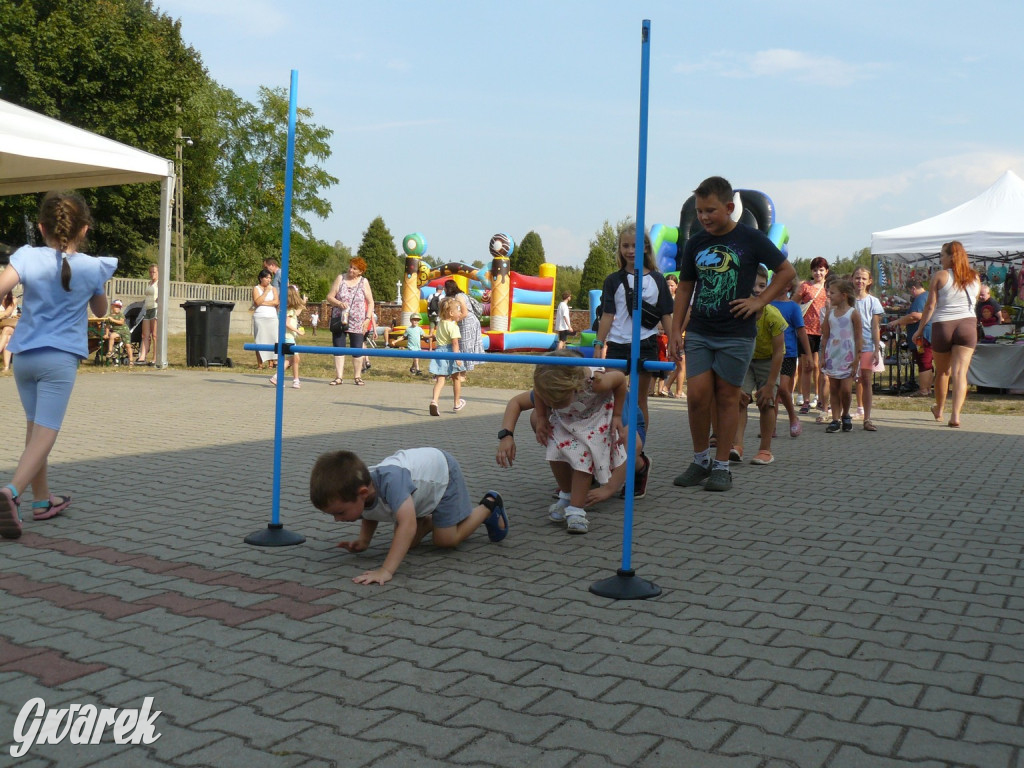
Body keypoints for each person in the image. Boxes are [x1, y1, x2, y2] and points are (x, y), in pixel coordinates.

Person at [0, 191, 117, 539]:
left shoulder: (26, 257)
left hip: (24, 357)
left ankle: (41, 501)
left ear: (40, 227)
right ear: (84, 230)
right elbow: (101, 311)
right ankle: (11, 493)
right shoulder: (93, 266)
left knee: (35, 431)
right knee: (46, 434)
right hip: (60, 358)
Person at [669, 176, 796, 492]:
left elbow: (787, 272)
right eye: (699, 211)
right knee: (697, 396)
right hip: (699, 330)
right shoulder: (697, 242)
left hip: (737, 334)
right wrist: (675, 331)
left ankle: (722, 466)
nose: (704, 217)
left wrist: (759, 301)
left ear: (729, 207)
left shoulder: (750, 238)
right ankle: (700, 461)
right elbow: (685, 287)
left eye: (710, 210)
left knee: (727, 398)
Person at [309, 448, 508, 585]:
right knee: (409, 543)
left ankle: (488, 506)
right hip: (418, 491)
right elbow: (371, 511)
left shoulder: (390, 483)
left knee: (444, 540)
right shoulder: (360, 488)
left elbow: (406, 525)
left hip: (442, 474)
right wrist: (364, 541)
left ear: (362, 493)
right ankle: (427, 520)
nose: (337, 519)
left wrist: (386, 571)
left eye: (340, 513)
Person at [531, 353, 642, 534]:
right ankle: (567, 496)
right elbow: (538, 391)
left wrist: (617, 415)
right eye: (551, 401)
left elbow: (621, 380)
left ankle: (576, 509)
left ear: (574, 387)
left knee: (583, 456)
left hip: (594, 418)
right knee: (555, 449)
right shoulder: (550, 384)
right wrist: (542, 416)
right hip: (569, 418)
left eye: (557, 401)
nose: (553, 403)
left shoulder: (596, 382)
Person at [594, 223, 674, 432]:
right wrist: (598, 343)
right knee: (612, 398)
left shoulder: (657, 279)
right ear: (620, 249)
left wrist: (675, 342)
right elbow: (607, 314)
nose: (630, 251)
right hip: (618, 344)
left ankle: (639, 447)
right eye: (625, 246)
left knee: (640, 401)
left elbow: (665, 313)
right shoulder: (613, 280)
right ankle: (614, 444)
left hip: (646, 343)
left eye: (635, 246)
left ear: (646, 247)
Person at [913, 240, 981, 428]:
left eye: (942, 254)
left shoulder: (940, 276)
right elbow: (973, 302)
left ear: (951, 256)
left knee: (942, 371)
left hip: (943, 325)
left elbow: (930, 306)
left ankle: (940, 410)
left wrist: (919, 330)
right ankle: (956, 415)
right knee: (960, 373)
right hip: (967, 325)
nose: (940, 258)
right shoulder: (975, 277)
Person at [734, 265, 787, 465]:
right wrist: (737, 385)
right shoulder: (739, 311)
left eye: (762, 285)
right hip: (745, 360)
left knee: (767, 402)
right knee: (740, 400)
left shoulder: (773, 316)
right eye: (752, 284)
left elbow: (778, 354)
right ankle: (737, 446)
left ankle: (765, 450)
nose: (756, 289)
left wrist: (769, 385)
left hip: (768, 361)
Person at [820, 279, 863, 433]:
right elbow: (825, 336)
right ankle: (835, 419)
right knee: (833, 388)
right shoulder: (830, 313)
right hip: (833, 355)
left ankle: (846, 413)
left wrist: (857, 357)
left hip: (848, 356)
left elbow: (858, 337)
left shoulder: (853, 313)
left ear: (843, 295)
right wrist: (822, 356)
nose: (829, 295)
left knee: (845, 389)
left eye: (832, 292)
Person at [771, 278, 812, 437]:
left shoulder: (793, 307)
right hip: (770, 354)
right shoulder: (768, 304)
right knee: (773, 392)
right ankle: (770, 425)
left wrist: (807, 354)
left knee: (782, 388)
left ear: (788, 286)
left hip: (788, 354)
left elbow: (801, 331)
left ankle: (793, 417)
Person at [326, 257, 374, 386]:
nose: (351, 270)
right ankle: (338, 377)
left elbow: (370, 302)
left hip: (358, 321)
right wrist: (338, 303)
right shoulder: (340, 278)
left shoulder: (364, 282)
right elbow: (329, 296)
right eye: (350, 267)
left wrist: (367, 319)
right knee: (338, 348)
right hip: (340, 319)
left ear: (360, 272)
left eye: (355, 268)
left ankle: (357, 376)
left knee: (357, 349)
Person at [886, 278, 932, 397]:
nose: (910, 294)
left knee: (924, 361)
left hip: (922, 337)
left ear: (913, 288)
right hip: (924, 335)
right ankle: (926, 388)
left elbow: (915, 316)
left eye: (909, 291)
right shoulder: (927, 296)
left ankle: (924, 390)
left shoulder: (921, 298)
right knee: (925, 362)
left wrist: (898, 321)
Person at [852, 266, 884, 431]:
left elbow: (875, 326)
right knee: (845, 381)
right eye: (857, 277)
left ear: (869, 281)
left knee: (866, 381)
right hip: (848, 346)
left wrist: (876, 348)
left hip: (867, 346)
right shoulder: (848, 300)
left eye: (863, 278)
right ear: (852, 279)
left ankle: (867, 418)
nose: (860, 281)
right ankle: (841, 415)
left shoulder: (873, 301)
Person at [796, 257, 829, 414]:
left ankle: (820, 398)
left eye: (821, 270)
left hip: (824, 331)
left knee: (820, 367)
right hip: (806, 331)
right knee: (807, 366)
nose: (818, 273)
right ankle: (805, 400)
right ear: (811, 271)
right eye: (815, 270)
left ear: (826, 271)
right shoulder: (805, 287)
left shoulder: (829, 287)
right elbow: (793, 303)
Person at [428, 297, 465, 415]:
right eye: (458, 310)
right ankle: (457, 403)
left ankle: (434, 401)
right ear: (451, 313)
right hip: (451, 352)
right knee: (456, 378)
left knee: (440, 380)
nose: (460, 313)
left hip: (440, 351)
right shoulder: (453, 326)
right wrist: (457, 357)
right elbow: (454, 343)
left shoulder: (441, 324)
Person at [444, 279, 484, 381]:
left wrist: (454, 321)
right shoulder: (461, 295)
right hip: (469, 321)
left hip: (468, 322)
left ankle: (462, 374)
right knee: (464, 346)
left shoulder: (459, 297)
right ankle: (461, 372)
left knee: (465, 346)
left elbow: (465, 313)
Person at [269, 285, 305, 389]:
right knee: (294, 359)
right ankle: (277, 377)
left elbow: (296, 313)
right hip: (288, 337)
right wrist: (298, 331)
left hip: (283, 336)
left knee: (295, 359)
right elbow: (287, 323)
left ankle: (295, 380)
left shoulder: (284, 308)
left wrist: (303, 303)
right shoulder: (289, 310)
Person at [658, 274, 686, 398]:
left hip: (681, 334)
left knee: (680, 363)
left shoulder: (680, 299)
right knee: (680, 363)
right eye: (667, 285)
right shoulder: (663, 300)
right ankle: (674, 390)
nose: (669, 288)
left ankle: (670, 388)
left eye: (672, 285)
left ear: (677, 286)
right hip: (669, 336)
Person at [251, 268, 279, 370]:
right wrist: (266, 292)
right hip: (260, 317)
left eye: (270, 278)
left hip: (272, 317)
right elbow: (257, 302)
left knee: (272, 339)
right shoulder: (256, 288)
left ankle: (271, 363)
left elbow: (276, 302)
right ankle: (260, 363)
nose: (269, 280)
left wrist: (264, 302)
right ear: (261, 278)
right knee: (260, 339)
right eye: (267, 278)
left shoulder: (274, 289)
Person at [136, 263, 159, 365]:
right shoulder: (149, 283)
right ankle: (142, 356)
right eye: (150, 272)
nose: (152, 274)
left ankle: (155, 358)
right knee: (145, 334)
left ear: (158, 272)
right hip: (147, 309)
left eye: (154, 272)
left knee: (154, 335)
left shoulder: (159, 283)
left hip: (155, 308)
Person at [101, 299, 134, 365]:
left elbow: (121, 322)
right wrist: (107, 334)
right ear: (112, 306)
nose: (117, 308)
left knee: (127, 345)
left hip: (124, 331)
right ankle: (110, 351)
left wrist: (112, 320)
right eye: (116, 306)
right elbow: (107, 326)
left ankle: (131, 360)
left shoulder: (120, 315)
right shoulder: (109, 316)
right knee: (112, 336)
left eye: (119, 307)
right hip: (116, 331)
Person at [0, 290, 18, 373]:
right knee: (8, 339)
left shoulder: (13, 299)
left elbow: (7, 313)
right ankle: (6, 367)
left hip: (13, 326)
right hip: (2, 327)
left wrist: (2, 313)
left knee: (7, 329)